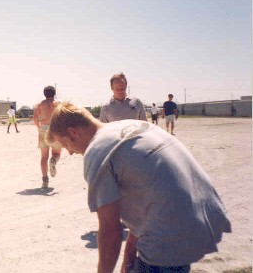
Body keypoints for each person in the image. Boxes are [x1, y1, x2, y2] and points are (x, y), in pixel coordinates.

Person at [46, 102, 231, 273]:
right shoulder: (128, 127)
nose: (70, 152)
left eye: (65, 144)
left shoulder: (96, 152)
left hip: (169, 234)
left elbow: (111, 230)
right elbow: (146, 197)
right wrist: (128, 259)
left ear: (73, 132)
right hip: (205, 215)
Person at [33, 85, 61, 188]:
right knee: (56, 153)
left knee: (44, 157)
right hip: (55, 128)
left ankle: (45, 180)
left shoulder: (40, 105)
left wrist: (39, 128)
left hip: (43, 129)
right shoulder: (58, 104)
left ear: (44, 94)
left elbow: (35, 119)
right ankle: (53, 161)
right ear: (54, 93)